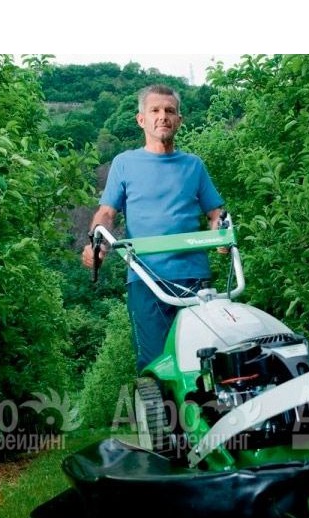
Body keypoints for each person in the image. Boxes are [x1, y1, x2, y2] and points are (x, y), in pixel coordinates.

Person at [82, 84, 225, 372]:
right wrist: (97, 243)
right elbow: (107, 213)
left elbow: (216, 213)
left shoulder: (193, 166)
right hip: (145, 279)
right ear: (141, 119)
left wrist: (219, 232)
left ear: (179, 120)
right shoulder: (124, 164)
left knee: (206, 359)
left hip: (194, 278)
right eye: (155, 110)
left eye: (170, 111)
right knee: (155, 365)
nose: (163, 116)